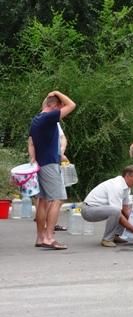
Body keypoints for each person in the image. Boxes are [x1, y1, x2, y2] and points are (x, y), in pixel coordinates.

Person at [28, 90, 76, 250]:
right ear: (55, 106)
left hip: (40, 165)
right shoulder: (49, 118)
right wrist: (56, 92)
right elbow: (72, 105)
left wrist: (33, 161)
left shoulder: (36, 119)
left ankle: (40, 237)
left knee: (42, 200)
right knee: (58, 198)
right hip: (49, 164)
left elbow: (31, 143)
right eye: (59, 108)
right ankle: (49, 237)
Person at [82, 166, 133, 247]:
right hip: (88, 210)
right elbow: (118, 213)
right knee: (116, 211)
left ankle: (115, 235)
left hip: (99, 209)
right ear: (127, 176)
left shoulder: (126, 187)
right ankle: (107, 239)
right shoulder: (117, 186)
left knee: (121, 211)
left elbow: (126, 210)